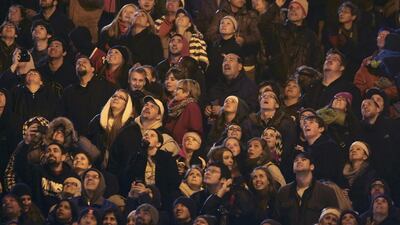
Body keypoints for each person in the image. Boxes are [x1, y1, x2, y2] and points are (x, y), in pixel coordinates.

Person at [258, 0, 323, 84]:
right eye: (291, 8)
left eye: (298, 8)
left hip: (300, 84)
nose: (293, 10)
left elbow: (317, 61)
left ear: (304, 14)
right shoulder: (277, 30)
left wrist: (308, 80)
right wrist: (276, 5)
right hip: (277, 82)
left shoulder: (311, 36)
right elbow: (262, 23)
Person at [275, 152, 339, 225]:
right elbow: (277, 218)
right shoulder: (284, 191)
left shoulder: (326, 191)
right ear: (293, 168)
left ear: (312, 166)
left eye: (303, 159)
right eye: (296, 160)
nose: (299, 161)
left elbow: (335, 218)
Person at [59, 55, 116, 135]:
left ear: (92, 69)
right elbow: (63, 115)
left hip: (100, 136)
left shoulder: (107, 87)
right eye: (78, 63)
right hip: (75, 137)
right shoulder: (68, 91)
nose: (80, 64)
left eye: (84, 62)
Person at [125, 129, 180, 210]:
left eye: (152, 135)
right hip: (139, 198)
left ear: (158, 144)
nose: (147, 136)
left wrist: (150, 191)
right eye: (145, 134)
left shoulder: (167, 159)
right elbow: (128, 177)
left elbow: (173, 183)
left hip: (162, 200)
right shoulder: (136, 157)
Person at [14, 142, 77, 213]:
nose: (51, 153)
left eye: (55, 151)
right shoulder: (37, 171)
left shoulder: (71, 176)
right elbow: (20, 168)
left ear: (63, 157)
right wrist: (26, 144)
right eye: (48, 151)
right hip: (39, 217)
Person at [302, 49, 362, 117]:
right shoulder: (312, 87)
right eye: (327, 58)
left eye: (335, 59)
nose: (329, 60)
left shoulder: (350, 89)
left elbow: (354, 116)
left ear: (342, 67)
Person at [11, 69, 59, 134]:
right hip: (20, 132)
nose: (32, 73)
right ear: (25, 80)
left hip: (44, 132)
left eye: (35, 74)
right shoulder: (17, 93)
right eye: (29, 73)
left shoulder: (49, 95)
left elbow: (55, 113)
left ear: (41, 82)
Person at [301, 115, 345, 186]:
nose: (306, 125)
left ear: (321, 129)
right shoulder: (305, 149)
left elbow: (329, 173)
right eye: (304, 123)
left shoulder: (329, 146)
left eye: (311, 122)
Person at [206, 16, 241, 86]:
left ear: (234, 30)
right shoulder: (214, 44)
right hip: (211, 82)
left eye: (228, 23)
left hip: (226, 84)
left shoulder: (236, 48)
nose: (224, 25)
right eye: (222, 23)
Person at [165, 79, 203, 145]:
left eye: (178, 89)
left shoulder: (192, 107)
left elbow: (195, 131)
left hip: (182, 147)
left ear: (187, 92)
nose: (175, 91)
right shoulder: (174, 106)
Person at [342, 141, 376, 212]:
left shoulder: (369, 173)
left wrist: (350, 195)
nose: (354, 150)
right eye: (351, 150)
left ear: (365, 156)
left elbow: (366, 193)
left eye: (358, 149)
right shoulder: (343, 173)